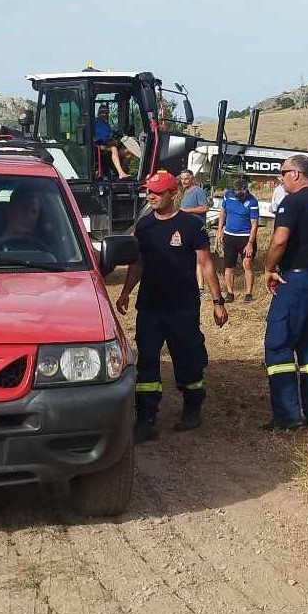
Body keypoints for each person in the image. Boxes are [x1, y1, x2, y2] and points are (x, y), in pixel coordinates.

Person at [116, 171, 227, 442]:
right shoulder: (143, 227)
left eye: (156, 192)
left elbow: (207, 264)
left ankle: (192, 406)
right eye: (148, 192)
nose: (150, 196)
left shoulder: (191, 225)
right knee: (148, 363)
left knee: (188, 359)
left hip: (183, 307)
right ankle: (146, 418)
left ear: (172, 194)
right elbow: (138, 263)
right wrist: (126, 292)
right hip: (151, 307)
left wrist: (217, 301)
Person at [261, 155, 308, 430]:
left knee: (279, 344)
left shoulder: (291, 202)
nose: (281, 178)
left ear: (296, 174)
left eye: (283, 173)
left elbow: (280, 239)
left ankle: (288, 415)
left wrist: (268, 268)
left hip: (297, 279)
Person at [218, 177, 260, 303]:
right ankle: (230, 293)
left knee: (247, 264)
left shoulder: (252, 202)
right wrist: (220, 229)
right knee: (228, 266)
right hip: (230, 236)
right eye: (237, 195)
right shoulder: (227, 196)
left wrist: (250, 244)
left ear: (246, 190)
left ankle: (248, 294)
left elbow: (254, 225)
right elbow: (223, 212)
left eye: (241, 195)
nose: (239, 197)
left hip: (246, 237)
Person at [178, 170, 210, 292]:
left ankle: (201, 287)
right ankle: (196, 285)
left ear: (191, 178)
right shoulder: (186, 192)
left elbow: (205, 208)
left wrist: (187, 210)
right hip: (188, 229)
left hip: (199, 228)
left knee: (200, 259)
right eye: (181, 179)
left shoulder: (198, 191)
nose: (183, 181)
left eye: (186, 179)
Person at [94, 104, 130, 180]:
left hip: (107, 146)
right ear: (98, 113)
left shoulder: (107, 125)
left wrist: (115, 140)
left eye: (106, 112)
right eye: (102, 112)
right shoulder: (94, 123)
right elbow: (90, 137)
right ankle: (120, 173)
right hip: (97, 147)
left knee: (128, 152)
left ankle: (121, 173)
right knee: (114, 148)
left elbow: (110, 137)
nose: (104, 114)